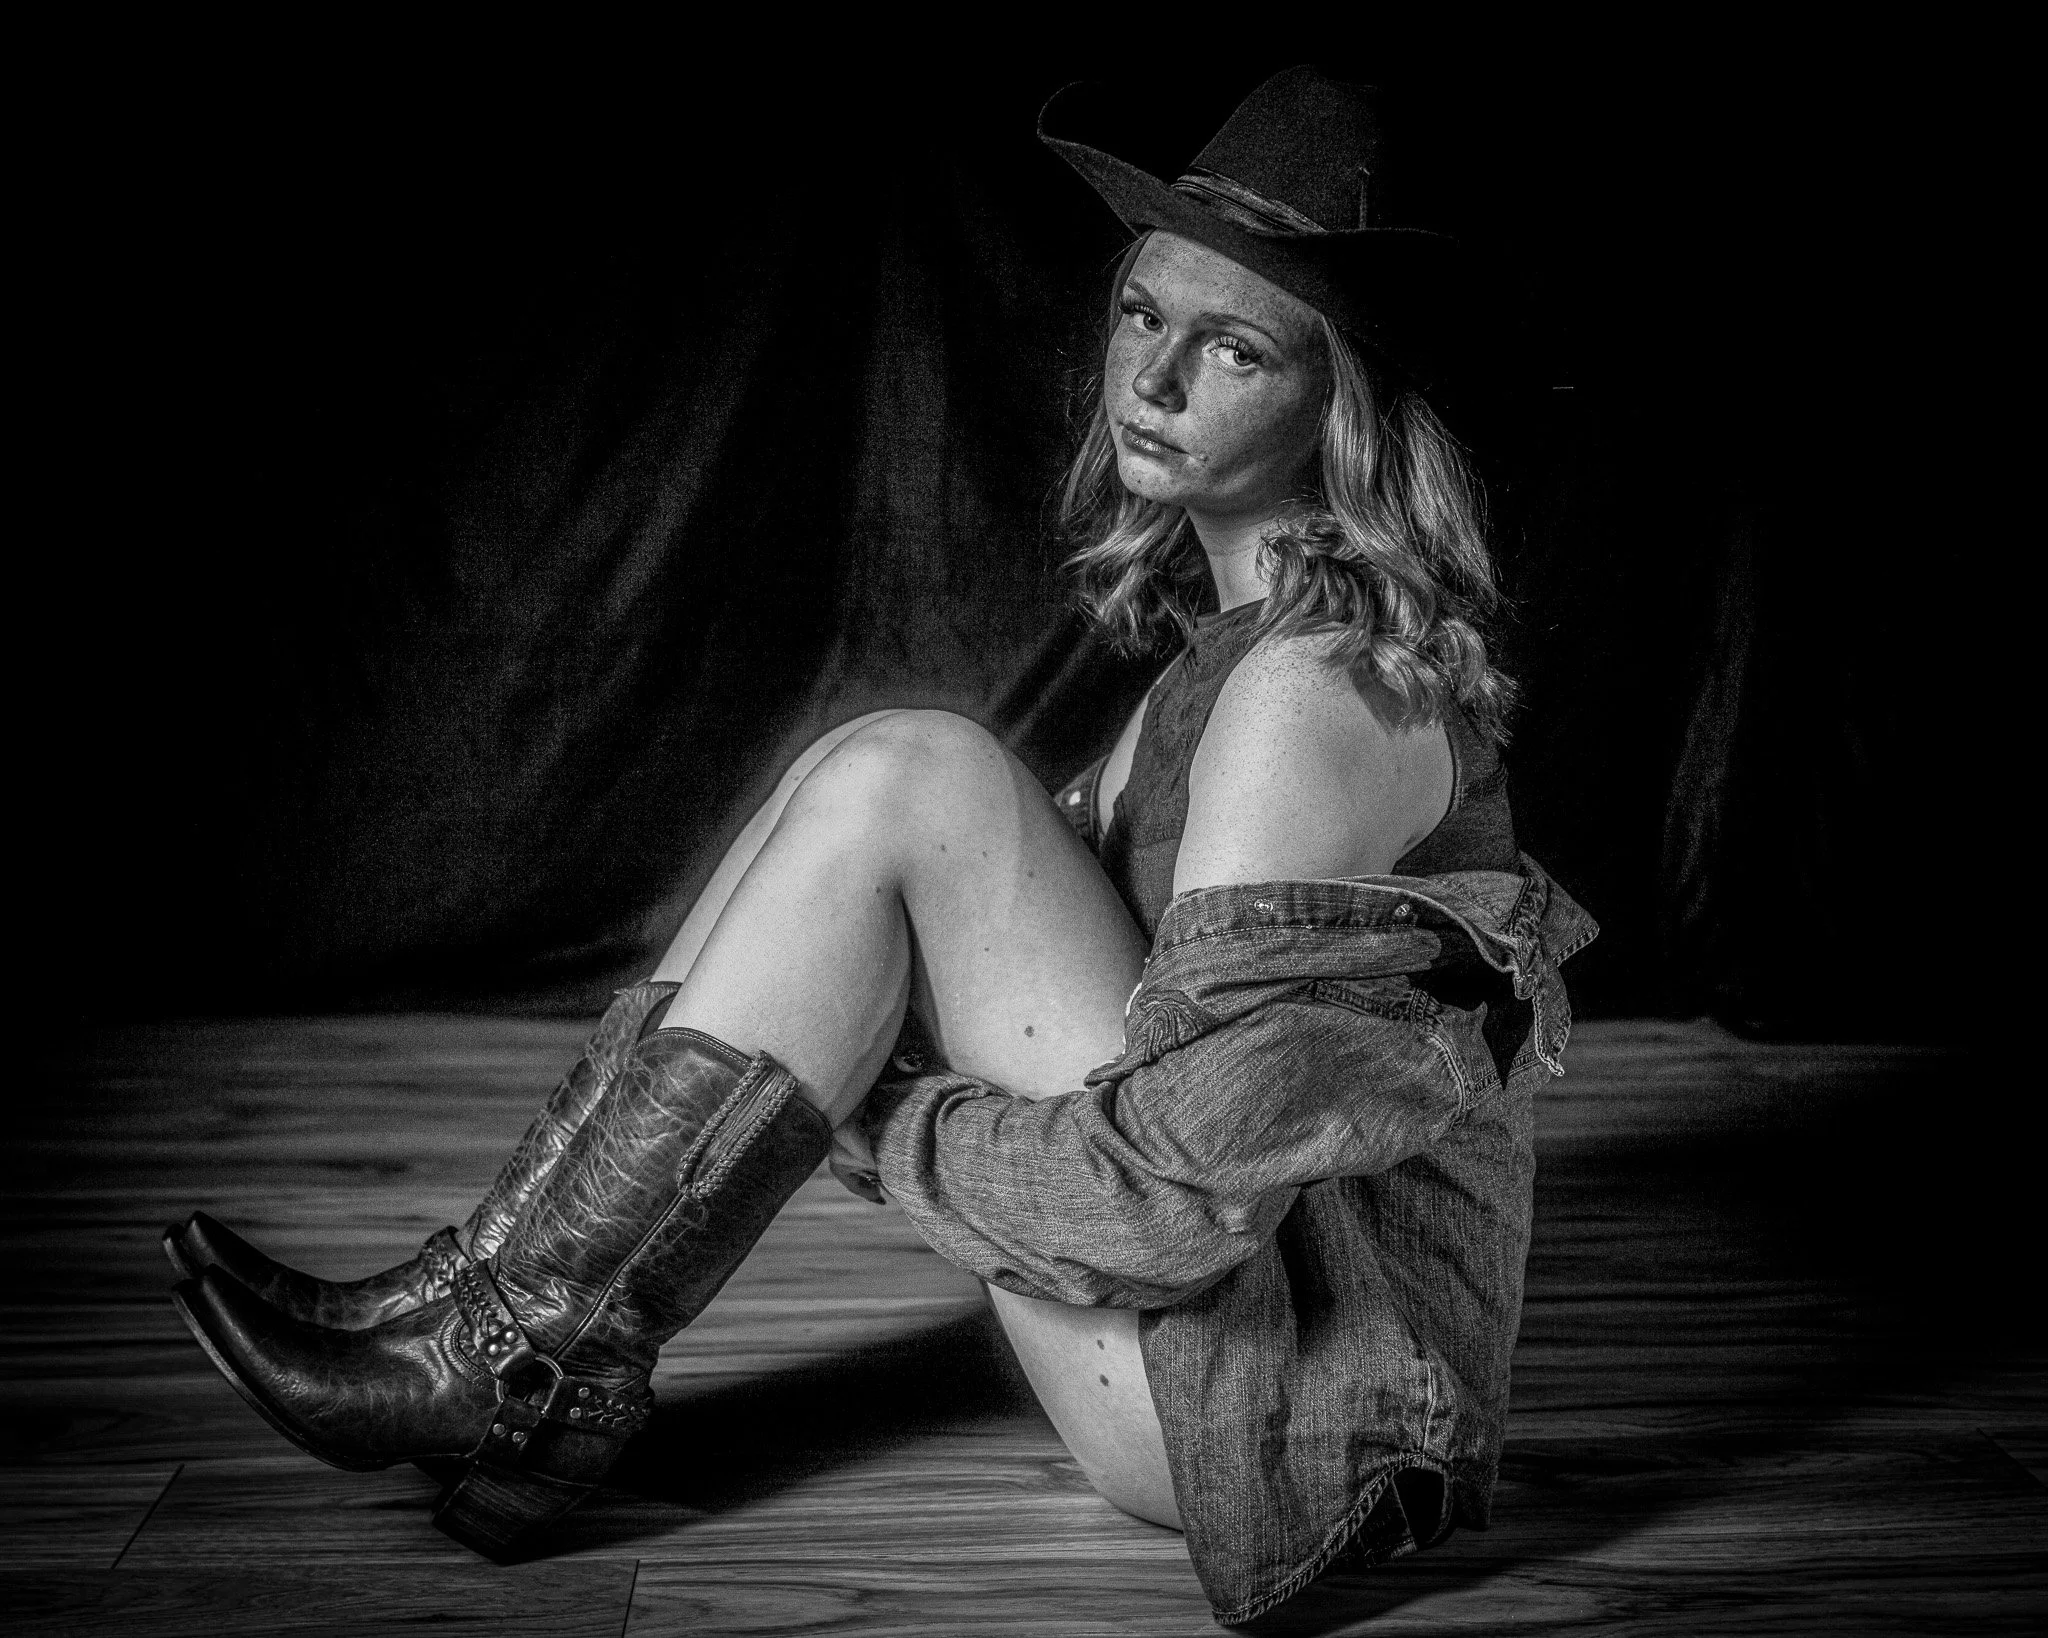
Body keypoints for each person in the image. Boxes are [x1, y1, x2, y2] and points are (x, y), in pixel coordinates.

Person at [166, 68, 1594, 1628]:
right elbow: (894, 930)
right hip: (1205, 1361)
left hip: (1271, 1422)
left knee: (920, 772)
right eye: (1140, 313)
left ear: (1346, 405)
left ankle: (498, 1352)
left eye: (1233, 346)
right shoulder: (1226, 660)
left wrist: (860, 1102)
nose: (1156, 376)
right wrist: (831, 1039)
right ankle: (481, 1314)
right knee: (868, 772)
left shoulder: (1315, 693)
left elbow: (1168, 1211)